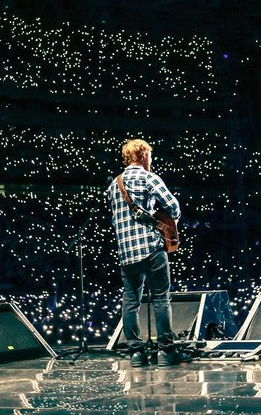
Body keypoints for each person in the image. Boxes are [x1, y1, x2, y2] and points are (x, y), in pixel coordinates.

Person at [106, 139, 186, 367]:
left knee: (130, 301)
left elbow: (114, 220)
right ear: (142, 155)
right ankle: (165, 352)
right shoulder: (148, 178)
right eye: (150, 155)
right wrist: (163, 220)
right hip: (151, 248)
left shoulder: (114, 184)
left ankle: (136, 354)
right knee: (161, 299)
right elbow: (174, 206)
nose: (151, 160)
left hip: (127, 253)